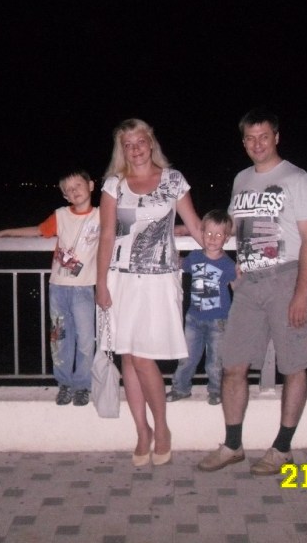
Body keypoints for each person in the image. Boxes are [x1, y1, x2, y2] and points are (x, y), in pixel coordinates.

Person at [198, 108, 307, 476]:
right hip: (249, 284)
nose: (257, 144)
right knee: (232, 364)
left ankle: (282, 448)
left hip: (287, 279)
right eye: (250, 138)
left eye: (264, 136)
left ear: (276, 137)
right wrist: (213, 246)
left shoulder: (298, 179)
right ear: (243, 142)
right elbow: (234, 228)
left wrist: (301, 292)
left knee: (293, 365)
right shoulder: (241, 179)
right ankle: (232, 445)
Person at [95, 118, 203, 467]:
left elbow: (195, 225)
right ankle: (143, 431)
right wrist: (100, 283)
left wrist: (224, 252)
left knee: (143, 358)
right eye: (128, 144)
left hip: (159, 279)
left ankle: (163, 428)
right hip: (120, 278)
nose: (135, 149)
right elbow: (107, 235)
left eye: (140, 141)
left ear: (151, 142)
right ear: (122, 150)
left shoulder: (173, 180)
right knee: (128, 356)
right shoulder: (114, 185)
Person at [0, 170, 100, 407]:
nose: (74, 191)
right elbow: (38, 230)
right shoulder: (61, 215)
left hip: (84, 288)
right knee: (60, 340)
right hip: (58, 289)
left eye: (78, 185)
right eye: (68, 190)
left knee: (86, 340)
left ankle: (82, 385)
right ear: (64, 196)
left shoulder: (102, 215)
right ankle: (65, 384)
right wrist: (6, 232)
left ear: (90, 185)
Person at [166, 209, 236, 406]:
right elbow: (180, 263)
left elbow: (237, 287)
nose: (212, 239)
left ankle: (216, 391)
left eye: (219, 235)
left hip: (219, 320)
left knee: (215, 361)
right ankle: (180, 388)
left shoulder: (228, 264)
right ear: (202, 233)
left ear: (226, 238)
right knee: (187, 357)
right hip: (193, 318)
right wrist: (171, 252)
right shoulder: (195, 256)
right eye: (209, 233)